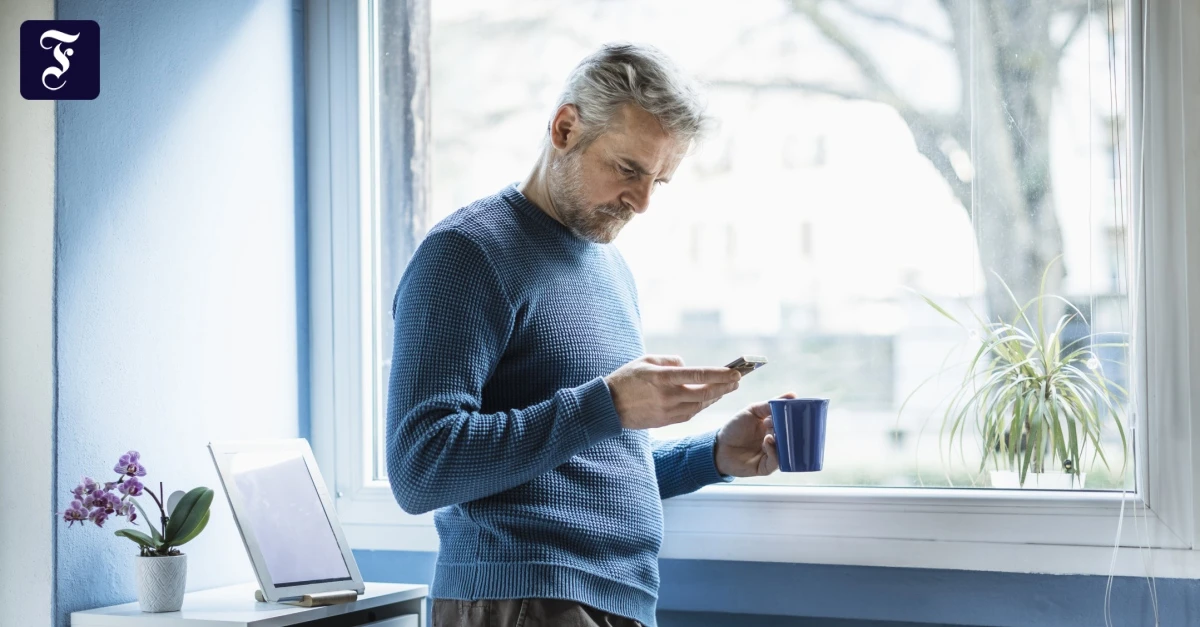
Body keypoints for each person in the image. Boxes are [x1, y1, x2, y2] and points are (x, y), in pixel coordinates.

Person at [386, 43, 794, 627]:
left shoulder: (607, 268)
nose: (644, 201)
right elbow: (420, 468)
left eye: (660, 180)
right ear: (565, 127)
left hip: (614, 600)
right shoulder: (465, 255)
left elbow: (584, 462)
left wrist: (712, 455)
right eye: (629, 170)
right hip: (521, 600)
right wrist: (607, 402)